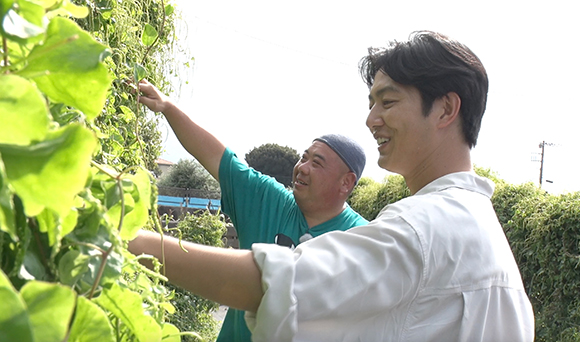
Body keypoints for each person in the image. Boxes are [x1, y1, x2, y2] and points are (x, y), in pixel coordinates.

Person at [130, 30, 535, 341]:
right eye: (371, 103)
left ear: (446, 108)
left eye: (388, 102)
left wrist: (124, 239)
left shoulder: (424, 227)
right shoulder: (484, 238)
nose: (371, 118)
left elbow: (278, 285)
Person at [135, 80, 368, 341]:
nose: (302, 167)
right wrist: (168, 107)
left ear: (346, 182)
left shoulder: (361, 238)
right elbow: (220, 158)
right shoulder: (269, 201)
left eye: (317, 163)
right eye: (304, 158)